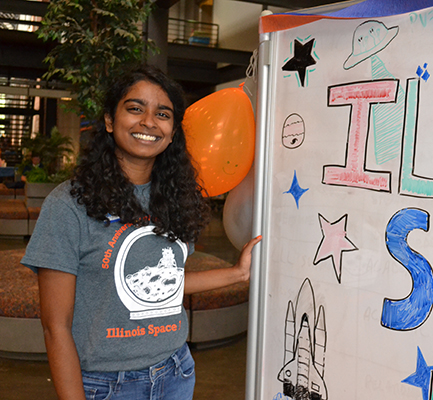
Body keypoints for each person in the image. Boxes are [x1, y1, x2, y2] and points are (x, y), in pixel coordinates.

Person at [21, 65, 261, 400]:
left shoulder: (177, 197)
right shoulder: (69, 204)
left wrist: (237, 272)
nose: (149, 122)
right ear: (109, 120)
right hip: (105, 385)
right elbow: (55, 326)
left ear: (174, 130)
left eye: (162, 113)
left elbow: (167, 284)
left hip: (175, 371)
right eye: (135, 109)